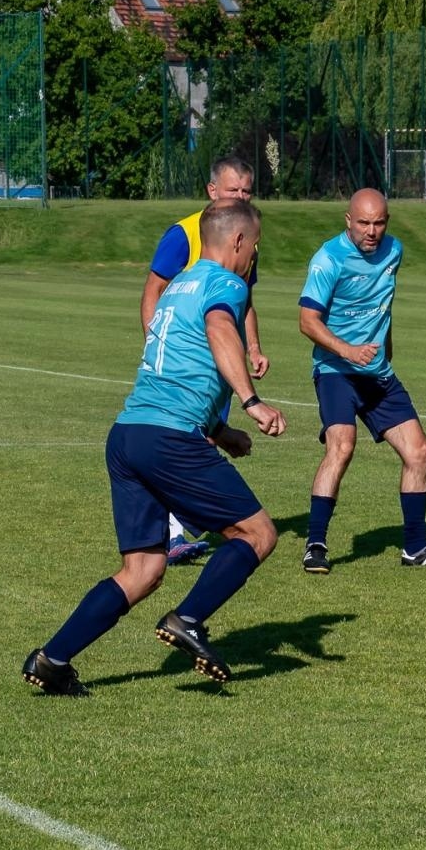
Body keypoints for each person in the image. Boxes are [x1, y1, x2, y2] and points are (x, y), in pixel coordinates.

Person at [23, 199, 286, 695]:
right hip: (169, 439)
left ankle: (51, 658)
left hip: (127, 435)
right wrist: (251, 400)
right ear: (237, 242)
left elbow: (179, 369)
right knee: (257, 534)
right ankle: (189, 619)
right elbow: (219, 331)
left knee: (142, 570)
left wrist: (223, 434)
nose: (254, 254)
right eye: (255, 244)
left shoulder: (176, 287)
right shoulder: (226, 284)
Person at [297, 188, 426, 574]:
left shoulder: (395, 251)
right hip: (336, 371)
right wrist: (346, 350)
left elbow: (384, 302)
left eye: (379, 222)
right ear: (348, 220)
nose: (372, 231)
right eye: (363, 223)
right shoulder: (328, 260)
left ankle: (415, 547)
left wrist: (385, 347)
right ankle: (315, 545)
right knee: (341, 446)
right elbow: (307, 321)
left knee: (419, 451)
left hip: (377, 373)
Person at [141, 156, 269, 566]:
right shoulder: (183, 235)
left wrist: (252, 347)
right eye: (234, 191)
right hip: (187, 359)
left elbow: (241, 300)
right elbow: (153, 292)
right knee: (188, 436)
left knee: (206, 435)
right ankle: (174, 532)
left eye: (247, 191)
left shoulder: (246, 235)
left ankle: (172, 529)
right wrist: (159, 345)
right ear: (212, 190)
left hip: (219, 360)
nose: (241, 197)